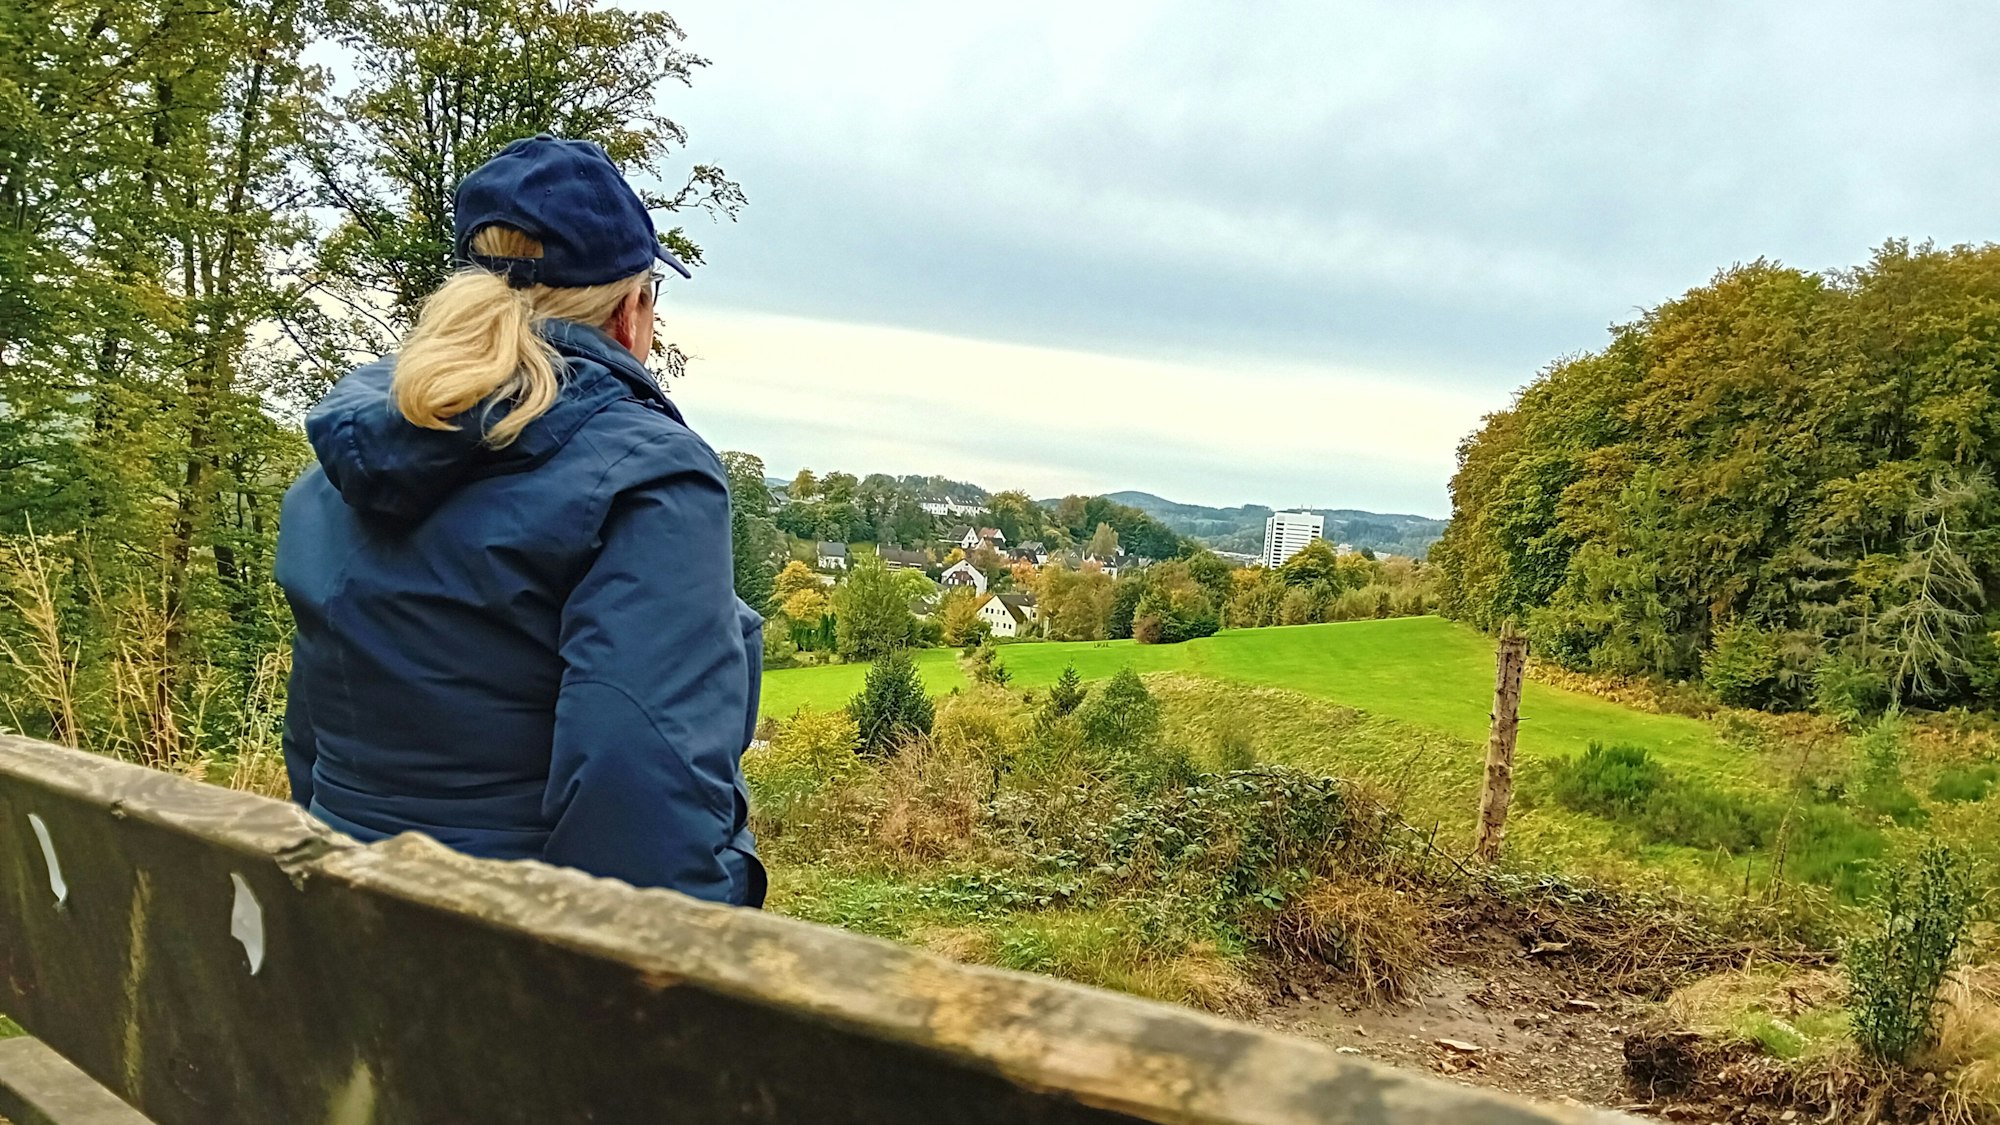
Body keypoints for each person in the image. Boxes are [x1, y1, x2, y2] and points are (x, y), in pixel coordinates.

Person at [274, 135, 764, 908]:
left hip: (342, 935)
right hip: (514, 970)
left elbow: (313, 742)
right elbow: (642, 789)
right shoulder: (649, 476)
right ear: (632, 311)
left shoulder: (346, 459)